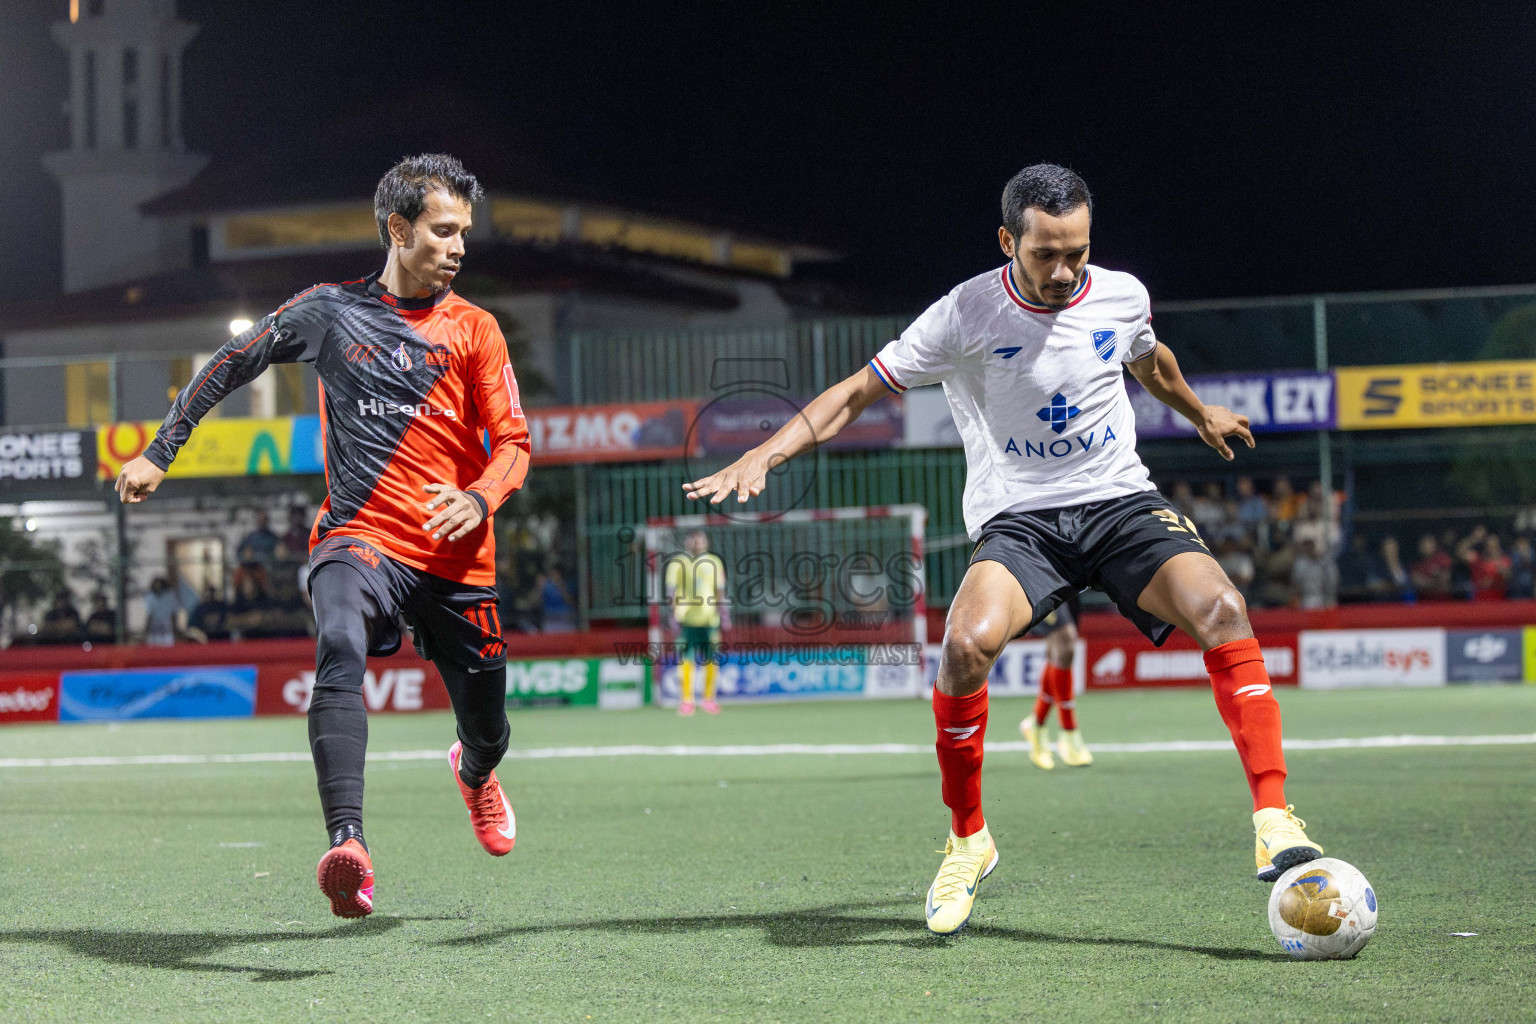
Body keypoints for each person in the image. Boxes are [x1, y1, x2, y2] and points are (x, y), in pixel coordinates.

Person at [683, 164, 1323, 934]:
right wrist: (767, 452)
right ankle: (968, 840)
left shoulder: (1123, 294)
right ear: (1007, 241)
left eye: (1077, 253)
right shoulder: (966, 313)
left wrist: (1197, 412)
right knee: (964, 647)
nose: (1064, 271)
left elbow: (1148, 359)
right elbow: (858, 391)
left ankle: (1273, 816)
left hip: (1119, 501)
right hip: (1022, 519)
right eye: (1045, 254)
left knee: (1222, 607)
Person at [113, 154, 532, 919]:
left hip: (457, 557)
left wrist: (480, 496)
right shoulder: (330, 310)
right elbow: (233, 360)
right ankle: (350, 848)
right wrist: (160, 451)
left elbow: (514, 443)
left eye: (464, 232)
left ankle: (474, 772)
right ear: (398, 229)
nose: (459, 246)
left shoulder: (476, 328)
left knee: (488, 727)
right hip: (359, 538)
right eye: (444, 230)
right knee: (338, 642)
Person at [1018, 598, 1088, 769]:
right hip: (1044, 582)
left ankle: (1036, 723)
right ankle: (1068, 731)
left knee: (1056, 644)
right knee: (1066, 641)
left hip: (1070, 583)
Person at [665, 531, 728, 716]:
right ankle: (687, 701)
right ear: (687, 542)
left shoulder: (714, 562)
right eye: (693, 540)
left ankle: (709, 699)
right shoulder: (678, 562)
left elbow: (720, 589)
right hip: (686, 619)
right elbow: (671, 590)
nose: (697, 543)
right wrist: (672, 613)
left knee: (711, 658)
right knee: (686, 659)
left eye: (700, 540)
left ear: (706, 542)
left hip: (709, 619)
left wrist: (723, 612)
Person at [143, 576, 182, 646]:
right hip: (153, 632)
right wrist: (146, 632)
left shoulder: (170, 596)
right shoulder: (150, 596)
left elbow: (173, 616)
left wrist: (175, 632)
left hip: (167, 632)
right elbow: (149, 616)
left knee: (167, 649)